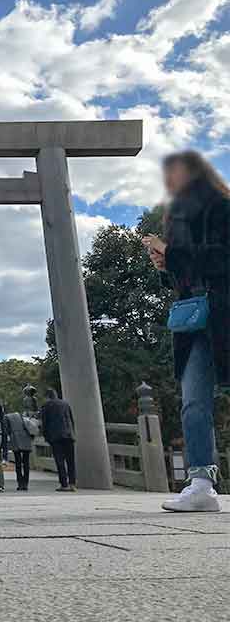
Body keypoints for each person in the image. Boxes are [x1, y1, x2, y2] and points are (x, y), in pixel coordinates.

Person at [143, 151, 230, 513]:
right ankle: (201, 482)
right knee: (193, 400)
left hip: (224, 311)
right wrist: (166, 265)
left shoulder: (222, 208)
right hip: (193, 319)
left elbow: (219, 260)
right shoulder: (176, 218)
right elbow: (184, 273)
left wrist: (172, 253)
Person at [41, 388, 76, 492]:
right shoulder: (65, 404)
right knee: (71, 461)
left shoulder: (46, 406)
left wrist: (46, 437)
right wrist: (73, 433)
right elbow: (71, 419)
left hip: (55, 437)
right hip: (69, 435)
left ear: (47, 396)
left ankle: (64, 484)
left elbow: (45, 423)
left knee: (59, 461)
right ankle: (72, 483)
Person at [4, 410, 34, 491]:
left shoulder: (7, 417)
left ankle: (20, 483)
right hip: (26, 439)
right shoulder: (22, 417)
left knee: (18, 463)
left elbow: (6, 430)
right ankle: (26, 484)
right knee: (26, 463)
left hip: (16, 440)